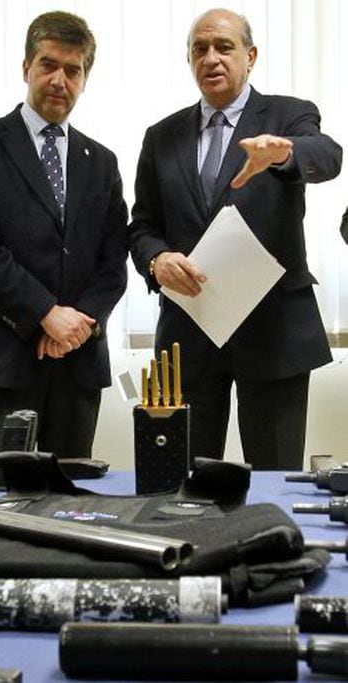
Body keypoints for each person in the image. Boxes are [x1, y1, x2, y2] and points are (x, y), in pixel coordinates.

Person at [128, 8, 342, 471]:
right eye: (199, 49)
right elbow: (142, 226)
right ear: (188, 60)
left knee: (274, 483)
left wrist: (283, 153)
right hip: (189, 332)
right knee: (184, 488)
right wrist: (157, 259)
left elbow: (327, 157)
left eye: (224, 47)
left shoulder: (288, 114)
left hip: (274, 333)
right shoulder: (160, 136)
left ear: (251, 56)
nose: (211, 58)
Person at [0, 11, 128, 468]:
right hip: (1, 357)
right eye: (48, 65)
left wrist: (77, 323)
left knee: (71, 505)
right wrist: (44, 314)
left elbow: (113, 261)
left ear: (86, 78)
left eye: (73, 70)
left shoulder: (102, 162)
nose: (58, 79)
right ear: (26, 68)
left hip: (78, 361)